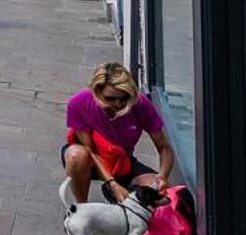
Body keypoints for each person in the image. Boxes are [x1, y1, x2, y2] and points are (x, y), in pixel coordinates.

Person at [62, 62, 176, 206]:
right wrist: (112, 183)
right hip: (90, 157)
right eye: (110, 98)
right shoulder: (79, 102)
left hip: (121, 160)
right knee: (76, 155)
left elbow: (164, 147)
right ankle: (82, 208)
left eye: (124, 98)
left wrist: (162, 176)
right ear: (97, 92)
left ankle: (117, 198)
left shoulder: (141, 104)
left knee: (162, 198)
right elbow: (90, 150)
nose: (118, 104)